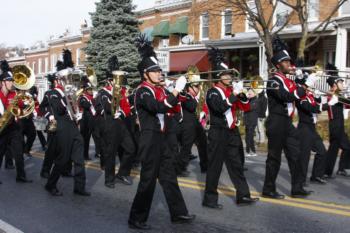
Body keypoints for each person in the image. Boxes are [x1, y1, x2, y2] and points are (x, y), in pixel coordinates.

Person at [128, 34, 195, 230]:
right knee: (148, 181)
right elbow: (159, 107)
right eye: (154, 71)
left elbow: (178, 106)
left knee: (169, 178)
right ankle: (136, 219)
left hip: (164, 139)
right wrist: (174, 92)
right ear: (145, 75)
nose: (159, 74)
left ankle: (178, 213)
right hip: (150, 140)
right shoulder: (143, 91)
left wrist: (180, 91)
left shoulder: (160, 89)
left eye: (159, 70)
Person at [202, 47, 259, 209]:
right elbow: (220, 108)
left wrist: (246, 96)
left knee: (236, 165)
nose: (229, 77)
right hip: (218, 132)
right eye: (227, 75)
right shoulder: (213, 92)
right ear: (219, 77)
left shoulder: (229, 91)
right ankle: (209, 199)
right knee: (215, 167)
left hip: (231, 132)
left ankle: (243, 195)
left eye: (230, 75)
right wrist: (233, 94)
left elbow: (244, 107)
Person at [262, 37, 313, 199]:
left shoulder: (287, 80)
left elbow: (298, 91)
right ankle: (268, 189)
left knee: (295, 155)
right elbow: (286, 96)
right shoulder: (273, 81)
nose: (289, 64)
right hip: (276, 122)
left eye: (289, 61)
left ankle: (296, 188)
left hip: (288, 123)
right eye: (285, 62)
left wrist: (303, 79)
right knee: (274, 158)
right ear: (278, 65)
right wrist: (303, 87)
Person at [43, 50, 90, 196]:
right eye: (67, 78)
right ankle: (50, 184)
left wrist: (79, 108)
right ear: (59, 79)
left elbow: (76, 109)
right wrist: (68, 95)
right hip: (61, 126)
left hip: (73, 126)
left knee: (79, 158)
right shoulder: (54, 93)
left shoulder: (71, 91)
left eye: (70, 78)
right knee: (62, 159)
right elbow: (58, 108)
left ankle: (79, 187)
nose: (70, 80)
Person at [99, 55, 136, 188]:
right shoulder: (103, 93)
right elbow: (107, 106)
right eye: (115, 79)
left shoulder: (120, 91)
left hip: (121, 124)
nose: (118, 82)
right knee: (111, 153)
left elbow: (125, 106)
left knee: (131, 149)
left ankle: (122, 173)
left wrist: (124, 110)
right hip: (110, 125)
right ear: (109, 81)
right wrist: (115, 108)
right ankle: (109, 179)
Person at [295, 71, 333, 185]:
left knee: (322, 151)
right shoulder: (300, 98)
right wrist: (330, 104)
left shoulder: (310, 96)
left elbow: (319, 102)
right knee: (304, 156)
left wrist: (327, 94)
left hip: (312, 128)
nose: (310, 87)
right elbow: (314, 108)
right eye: (308, 85)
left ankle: (316, 176)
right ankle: (300, 181)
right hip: (304, 128)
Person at [0, 60, 32, 183]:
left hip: (14, 127)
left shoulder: (14, 94)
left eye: (12, 80)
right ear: (3, 82)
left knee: (18, 152)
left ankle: (21, 176)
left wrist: (26, 105)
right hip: (2, 128)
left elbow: (21, 107)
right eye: (9, 80)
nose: (12, 83)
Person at [323, 64, 350, 177]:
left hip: (339, 125)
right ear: (334, 85)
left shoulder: (339, 96)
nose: (342, 84)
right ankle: (327, 171)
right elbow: (347, 102)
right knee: (334, 150)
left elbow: (347, 104)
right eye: (340, 82)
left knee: (346, 147)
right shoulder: (332, 96)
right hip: (335, 126)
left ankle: (338, 169)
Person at [78, 76, 96, 161]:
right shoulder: (82, 98)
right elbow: (85, 105)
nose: (91, 91)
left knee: (88, 139)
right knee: (84, 139)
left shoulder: (91, 98)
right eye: (89, 90)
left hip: (91, 121)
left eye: (91, 89)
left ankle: (87, 154)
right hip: (84, 121)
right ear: (86, 90)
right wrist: (91, 102)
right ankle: (83, 155)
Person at [244, 88, 258, 157]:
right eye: (248, 93)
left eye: (250, 93)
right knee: (249, 137)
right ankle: (253, 151)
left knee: (248, 137)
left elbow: (248, 108)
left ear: (254, 94)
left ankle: (248, 151)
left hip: (252, 121)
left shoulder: (255, 100)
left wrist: (245, 101)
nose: (248, 94)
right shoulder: (248, 100)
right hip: (247, 121)